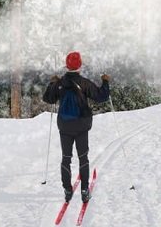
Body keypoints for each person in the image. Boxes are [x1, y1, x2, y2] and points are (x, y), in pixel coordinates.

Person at [43, 51, 111, 203]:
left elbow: (47, 98)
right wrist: (105, 82)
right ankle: (84, 191)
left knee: (66, 158)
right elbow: (102, 96)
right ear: (79, 65)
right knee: (83, 158)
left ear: (66, 66)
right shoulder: (84, 82)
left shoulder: (59, 83)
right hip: (81, 126)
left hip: (65, 126)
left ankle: (67, 190)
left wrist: (52, 83)